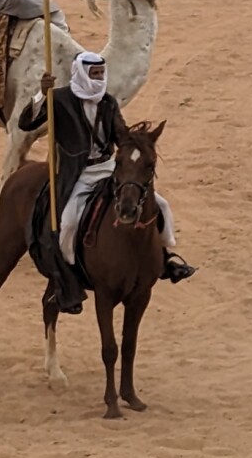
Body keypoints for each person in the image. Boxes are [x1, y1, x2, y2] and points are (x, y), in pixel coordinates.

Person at [17, 50, 194, 311]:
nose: (99, 78)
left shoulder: (108, 102)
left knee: (162, 205)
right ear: (82, 73)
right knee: (68, 223)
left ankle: (165, 259)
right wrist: (42, 94)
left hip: (109, 169)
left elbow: (120, 134)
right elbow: (26, 123)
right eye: (95, 73)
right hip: (76, 174)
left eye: (101, 73)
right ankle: (69, 275)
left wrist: (135, 146)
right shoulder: (60, 99)